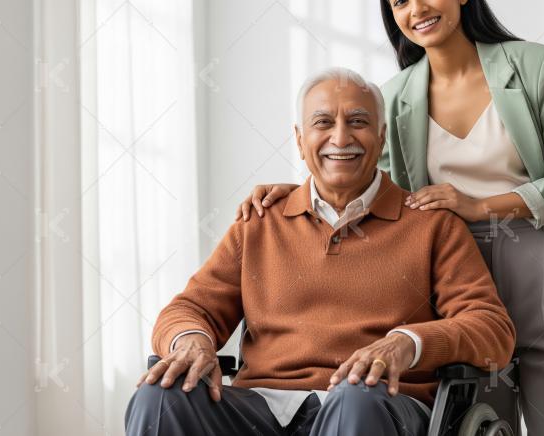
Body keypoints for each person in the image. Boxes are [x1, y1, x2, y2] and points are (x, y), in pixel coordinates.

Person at [236, 1, 544, 434]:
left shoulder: (536, 65)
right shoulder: (394, 96)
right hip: (454, 285)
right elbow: (374, 188)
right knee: (483, 427)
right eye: (399, 2)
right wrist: (303, 189)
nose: (416, 9)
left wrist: (479, 205)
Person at [124, 67, 515, 436]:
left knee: (356, 394)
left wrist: (406, 343)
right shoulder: (259, 221)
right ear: (299, 139)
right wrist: (192, 340)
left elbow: (491, 328)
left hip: (376, 403)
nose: (340, 138)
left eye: (358, 122)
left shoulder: (433, 226)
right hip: (262, 405)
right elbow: (190, 308)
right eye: (323, 122)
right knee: (159, 395)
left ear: (380, 138)